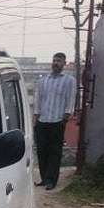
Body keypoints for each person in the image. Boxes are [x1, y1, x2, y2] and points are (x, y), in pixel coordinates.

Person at [33, 52, 77, 190]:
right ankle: (44, 178)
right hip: (43, 120)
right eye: (54, 60)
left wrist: (67, 114)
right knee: (41, 150)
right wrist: (36, 117)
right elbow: (38, 99)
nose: (55, 63)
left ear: (64, 63)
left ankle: (52, 180)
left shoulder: (69, 80)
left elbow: (71, 98)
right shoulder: (43, 80)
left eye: (59, 61)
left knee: (54, 151)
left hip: (57, 120)